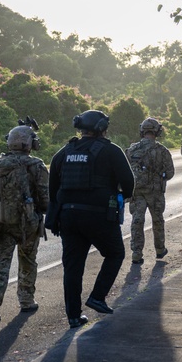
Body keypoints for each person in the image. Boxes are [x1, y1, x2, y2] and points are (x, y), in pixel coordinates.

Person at [46, 110, 135, 329]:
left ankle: (74, 317)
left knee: (73, 267)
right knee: (115, 254)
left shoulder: (63, 152)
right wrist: (121, 195)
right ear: (102, 127)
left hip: (67, 216)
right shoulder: (111, 150)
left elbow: (53, 187)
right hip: (98, 216)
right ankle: (97, 296)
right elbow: (129, 182)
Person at [0, 120, 50, 323]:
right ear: (30, 144)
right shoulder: (35, 165)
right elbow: (44, 197)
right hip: (27, 223)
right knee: (27, 261)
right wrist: (45, 212)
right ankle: (26, 300)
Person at [126, 117, 175, 265]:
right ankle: (160, 249)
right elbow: (171, 173)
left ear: (142, 131)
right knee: (157, 220)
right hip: (155, 193)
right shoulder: (162, 151)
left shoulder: (132, 149)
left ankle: (136, 253)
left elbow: (126, 171)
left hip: (137, 192)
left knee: (137, 221)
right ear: (157, 131)